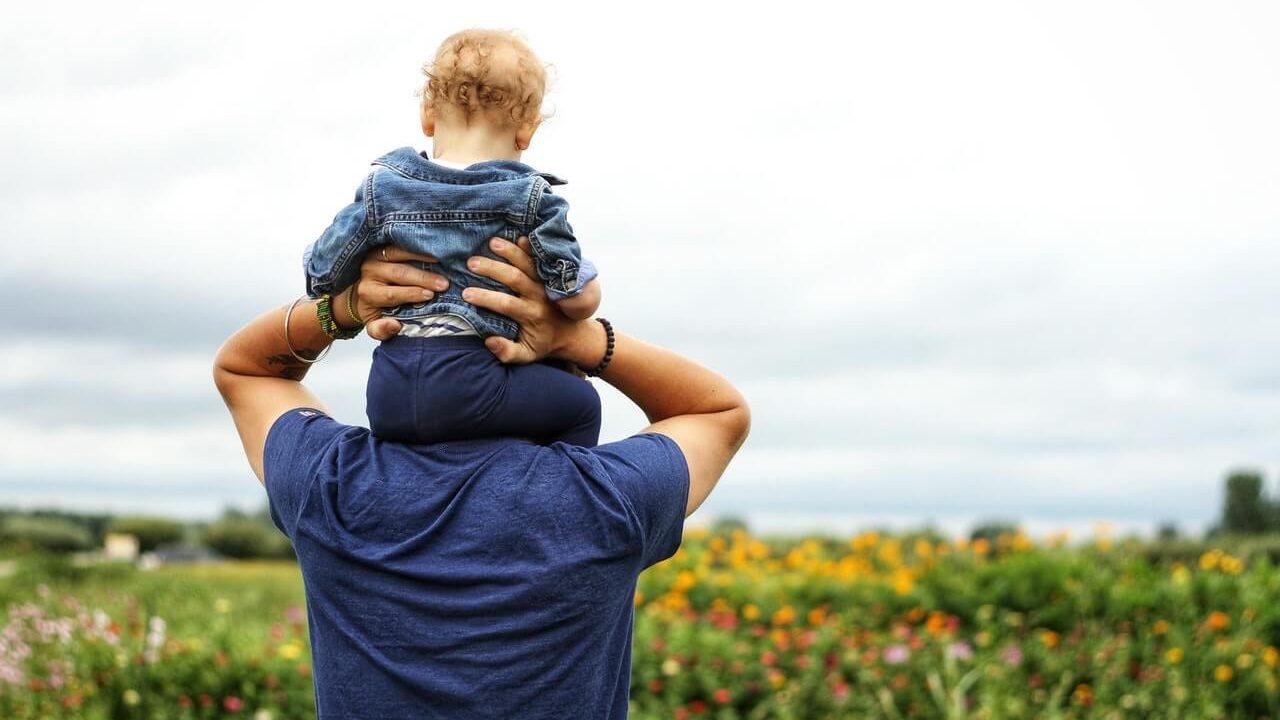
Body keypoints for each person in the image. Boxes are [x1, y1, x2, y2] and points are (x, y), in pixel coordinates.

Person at [213, 237, 750, 718]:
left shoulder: (332, 485)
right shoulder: (607, 501)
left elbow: (246, 369)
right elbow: (717, 413)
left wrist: (344, 308)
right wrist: (579, 338)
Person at [304, 29, 603, 446]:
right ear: (526, 131)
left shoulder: (382, 188)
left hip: (389, 389)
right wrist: (585, 286)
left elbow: (322, 275)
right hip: (475, 382)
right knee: (581, 404)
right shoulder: (531, 197)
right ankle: (562, 497)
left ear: (427, 116)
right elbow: (573, 299)